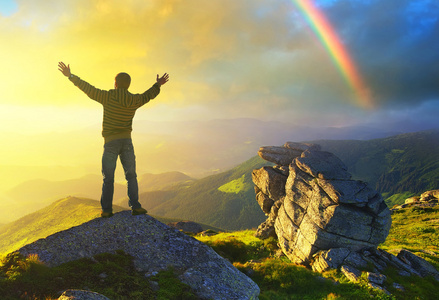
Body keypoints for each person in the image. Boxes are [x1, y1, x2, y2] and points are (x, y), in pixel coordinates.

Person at [58, 62, 169, 218]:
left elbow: (89, 89)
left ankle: (107, 210)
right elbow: (148, 96)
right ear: (128, 85)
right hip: (127, 142)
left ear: (115, 84)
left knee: (108, 178)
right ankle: (136, 207)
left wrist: (70, 76)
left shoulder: (108, 96)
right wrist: (158, 85)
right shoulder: (134, 100)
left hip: (110, 143)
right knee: (131, 176)